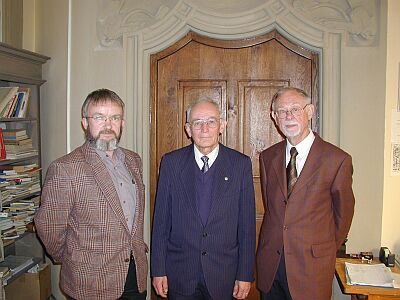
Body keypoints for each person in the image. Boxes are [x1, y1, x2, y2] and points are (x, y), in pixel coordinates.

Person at [35, 89, 147, 300]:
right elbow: (49, 227)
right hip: (90, 281)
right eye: (99, 117)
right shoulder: (65, 168)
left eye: (115, 117)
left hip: (134, 275)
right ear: (85, 123)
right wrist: (71, 257)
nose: (108, 125)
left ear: (122, 122)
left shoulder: (133, 161)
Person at [256, 87, 355, 300]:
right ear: (274, 117)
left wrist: (321, 248)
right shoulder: (268, 157)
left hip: (311, 269)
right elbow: (273, 209)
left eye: (295, 109)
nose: (288, 116)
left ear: (310, 111)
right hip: (271, 268)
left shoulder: (336, 160)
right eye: (282, 111)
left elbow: (343, 217)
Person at [151, 99, 256, 300]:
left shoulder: (240, 165)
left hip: (224, 275)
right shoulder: (171, 163)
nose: (204, 128)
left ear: (222, 126)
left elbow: (246, 227)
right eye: (197, 122)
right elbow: (161, 223)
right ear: (188, 129)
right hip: (180, 274)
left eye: (211, 121)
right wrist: (158, 269)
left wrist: (245, 274)